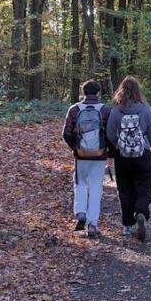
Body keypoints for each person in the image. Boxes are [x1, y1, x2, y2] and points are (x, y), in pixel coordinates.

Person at [105, 75, 151, 242]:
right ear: (137, 90)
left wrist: (120, 146)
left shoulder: (116, 110)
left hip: (123, 157)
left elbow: (110, 134)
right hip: (143, 154)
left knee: (125, 190)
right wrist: (146, 144)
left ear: (121, 90)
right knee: (144, 186)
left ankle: (127, 226)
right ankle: (141, 211)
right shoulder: (145, 109)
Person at [62, 80, 111, 238]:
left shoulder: (75, 109)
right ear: (98, 92)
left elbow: (66, 133)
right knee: (96, 187)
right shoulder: (105, 110)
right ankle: (92, 224)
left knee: (80, 184)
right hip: (99, 155)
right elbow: (110, 134)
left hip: (80, 155)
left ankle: (80, 212)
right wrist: (109, 153)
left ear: (83, 92)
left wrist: (75, 148)